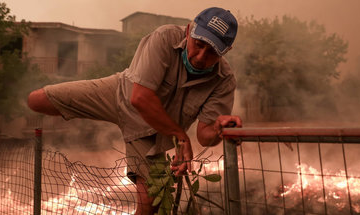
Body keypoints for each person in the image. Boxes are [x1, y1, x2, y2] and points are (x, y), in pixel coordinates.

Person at [27, 7, 242, 214]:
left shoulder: (223, 81)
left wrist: (219, 128)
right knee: (37, 100)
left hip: (152, 133)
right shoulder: (164, 38)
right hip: (120, 93)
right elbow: (140, 97)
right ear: (189, 31)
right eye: (198, 44)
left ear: (225, 52)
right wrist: (180, 136)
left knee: (150, 203)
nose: (201, 56)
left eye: (212, 51)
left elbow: (205, 136)